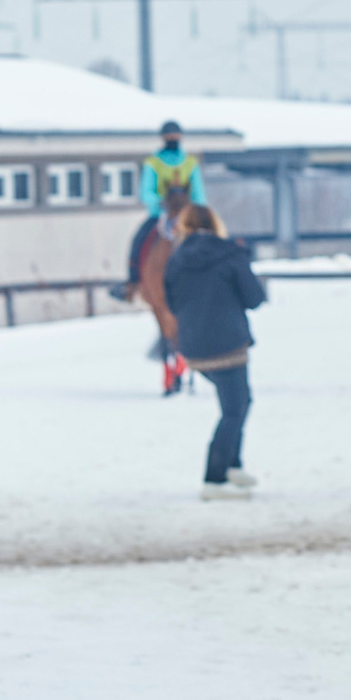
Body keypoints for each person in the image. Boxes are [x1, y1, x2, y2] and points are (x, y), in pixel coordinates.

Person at [163, 204, 270, 501]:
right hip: (229, 344)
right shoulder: (230, 254)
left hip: (194, 347)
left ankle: (233, 465)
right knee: (235, 408)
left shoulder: (176, 260)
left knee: (237, 404)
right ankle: (214, 477)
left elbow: (171, 304)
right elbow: (254, 298)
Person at [124, 120, 208, 291]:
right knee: (139, 240)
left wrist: (195, 211)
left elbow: (199, 194)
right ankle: (133, 282)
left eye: (175, 136)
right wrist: (159, 203)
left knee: (211, 238)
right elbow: (145, 192)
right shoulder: (153, 163)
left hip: (187, 216)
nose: (172, 139)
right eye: (169, 136)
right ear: (163, 138)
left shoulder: (190, 163)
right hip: (160, 214)